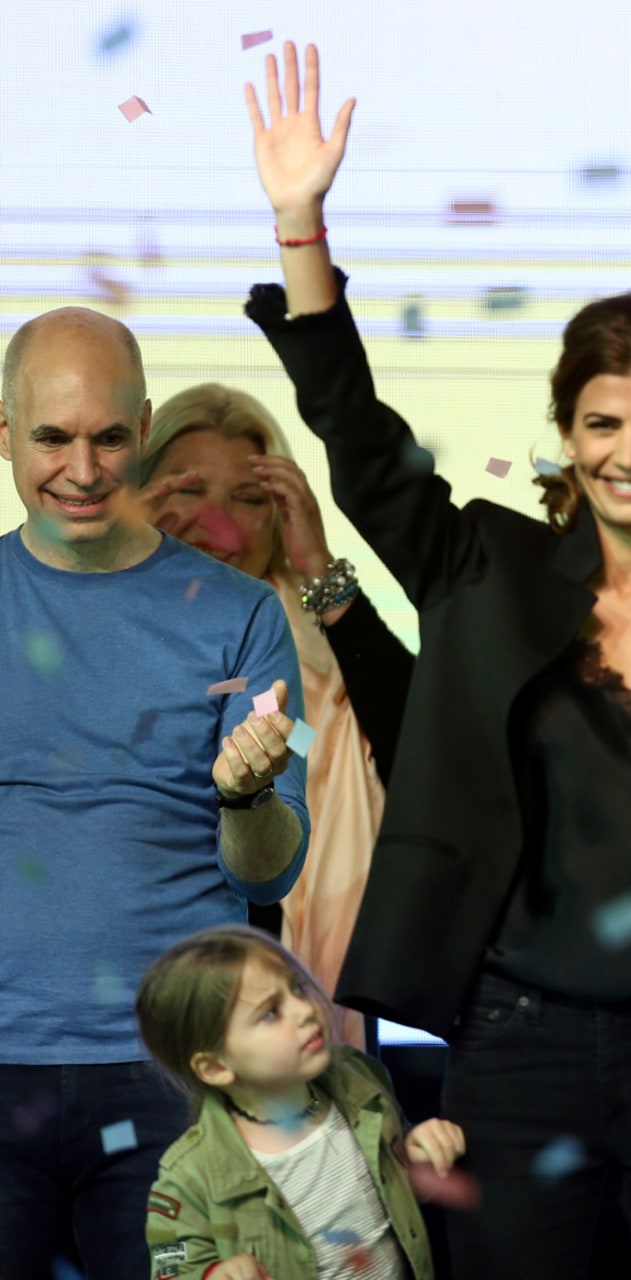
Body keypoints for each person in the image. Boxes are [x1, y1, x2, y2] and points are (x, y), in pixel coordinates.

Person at [240, 43, 631, 1276]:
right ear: (566, 431)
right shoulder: (488, 564)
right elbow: (362, 447)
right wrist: (301, 228)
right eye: (602, 423)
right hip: (517, 1044)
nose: (628, 452)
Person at [0, 298, 310, 1275]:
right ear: (4, 434)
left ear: (143, 431)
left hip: (173, 1067)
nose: (83, 470)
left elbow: (274, 865)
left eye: (109, 438)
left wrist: (247, 797)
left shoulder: (244, 614)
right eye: (52, 438)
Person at [144, 384, 403, 1051]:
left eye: (250, 499)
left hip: (305, 999)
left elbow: (418, 740)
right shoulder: (95, 628)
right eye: (189, 492)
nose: (220, 523)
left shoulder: (322, 657)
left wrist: (319, 569)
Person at [138, 925, 461, 1280]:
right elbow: (172, 1269)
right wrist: (212, 1275)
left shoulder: (359, 1080)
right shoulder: (190, 1175)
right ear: (215, 1067)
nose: (304, 1010)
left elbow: (396, 1182)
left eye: (297, 989)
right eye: (271, 1012)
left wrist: (418, 1154)